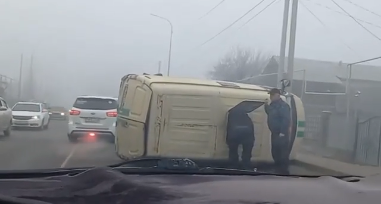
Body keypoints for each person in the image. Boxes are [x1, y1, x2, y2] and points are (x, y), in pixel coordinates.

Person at [264, 88, 291, 174]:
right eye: (270, 95)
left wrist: (282, 132)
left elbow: (286, 119)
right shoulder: (273, 105)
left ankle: (283, 170)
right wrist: (266, 107)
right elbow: (271, 114)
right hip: (275, 132)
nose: (270, 97)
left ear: (277, 95)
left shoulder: (283, 106)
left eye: (272, 95)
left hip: (281, 133)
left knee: (282, 152)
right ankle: (277, 169)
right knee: (275, 151)